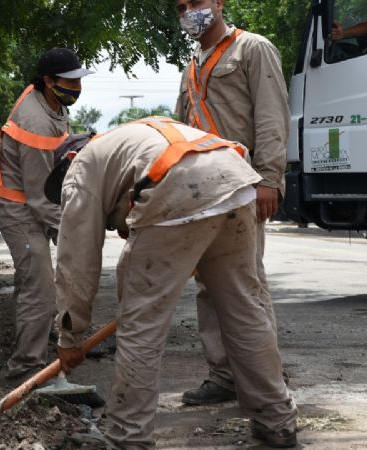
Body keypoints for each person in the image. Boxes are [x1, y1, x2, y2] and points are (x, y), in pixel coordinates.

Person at [50, 118, 298, 449]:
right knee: (245, 309)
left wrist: (70, 334)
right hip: (233, 181)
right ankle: (277, 420)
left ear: (69, 159)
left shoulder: (81, 168)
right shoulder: (134, 138)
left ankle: (128, 437)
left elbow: (76, 260)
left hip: (179, 187)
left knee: (141, 323)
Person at [174, 0, 290, 407]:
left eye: (197, 2)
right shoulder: (190, 68)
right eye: (182, 5)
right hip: (203, 193)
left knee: (246, 282)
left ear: (220, 3)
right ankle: (223, 375)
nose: (190, 10)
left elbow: (272, 116)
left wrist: (270, 179)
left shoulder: (252, 49)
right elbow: (179, 134)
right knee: (208, 285)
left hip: (244, 185)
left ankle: (264, 377)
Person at [0, 47, 93, 380]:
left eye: (79, 80)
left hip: (33, 199)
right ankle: (27, 368)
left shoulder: (52, 102)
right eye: (69, 81)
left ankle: (36, 338)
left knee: (38, 282)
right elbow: (40, 198)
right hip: (17, 207)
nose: (76, 87)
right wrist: (73, 230)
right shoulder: (35, 122)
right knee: (41, 286)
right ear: (48, 81)